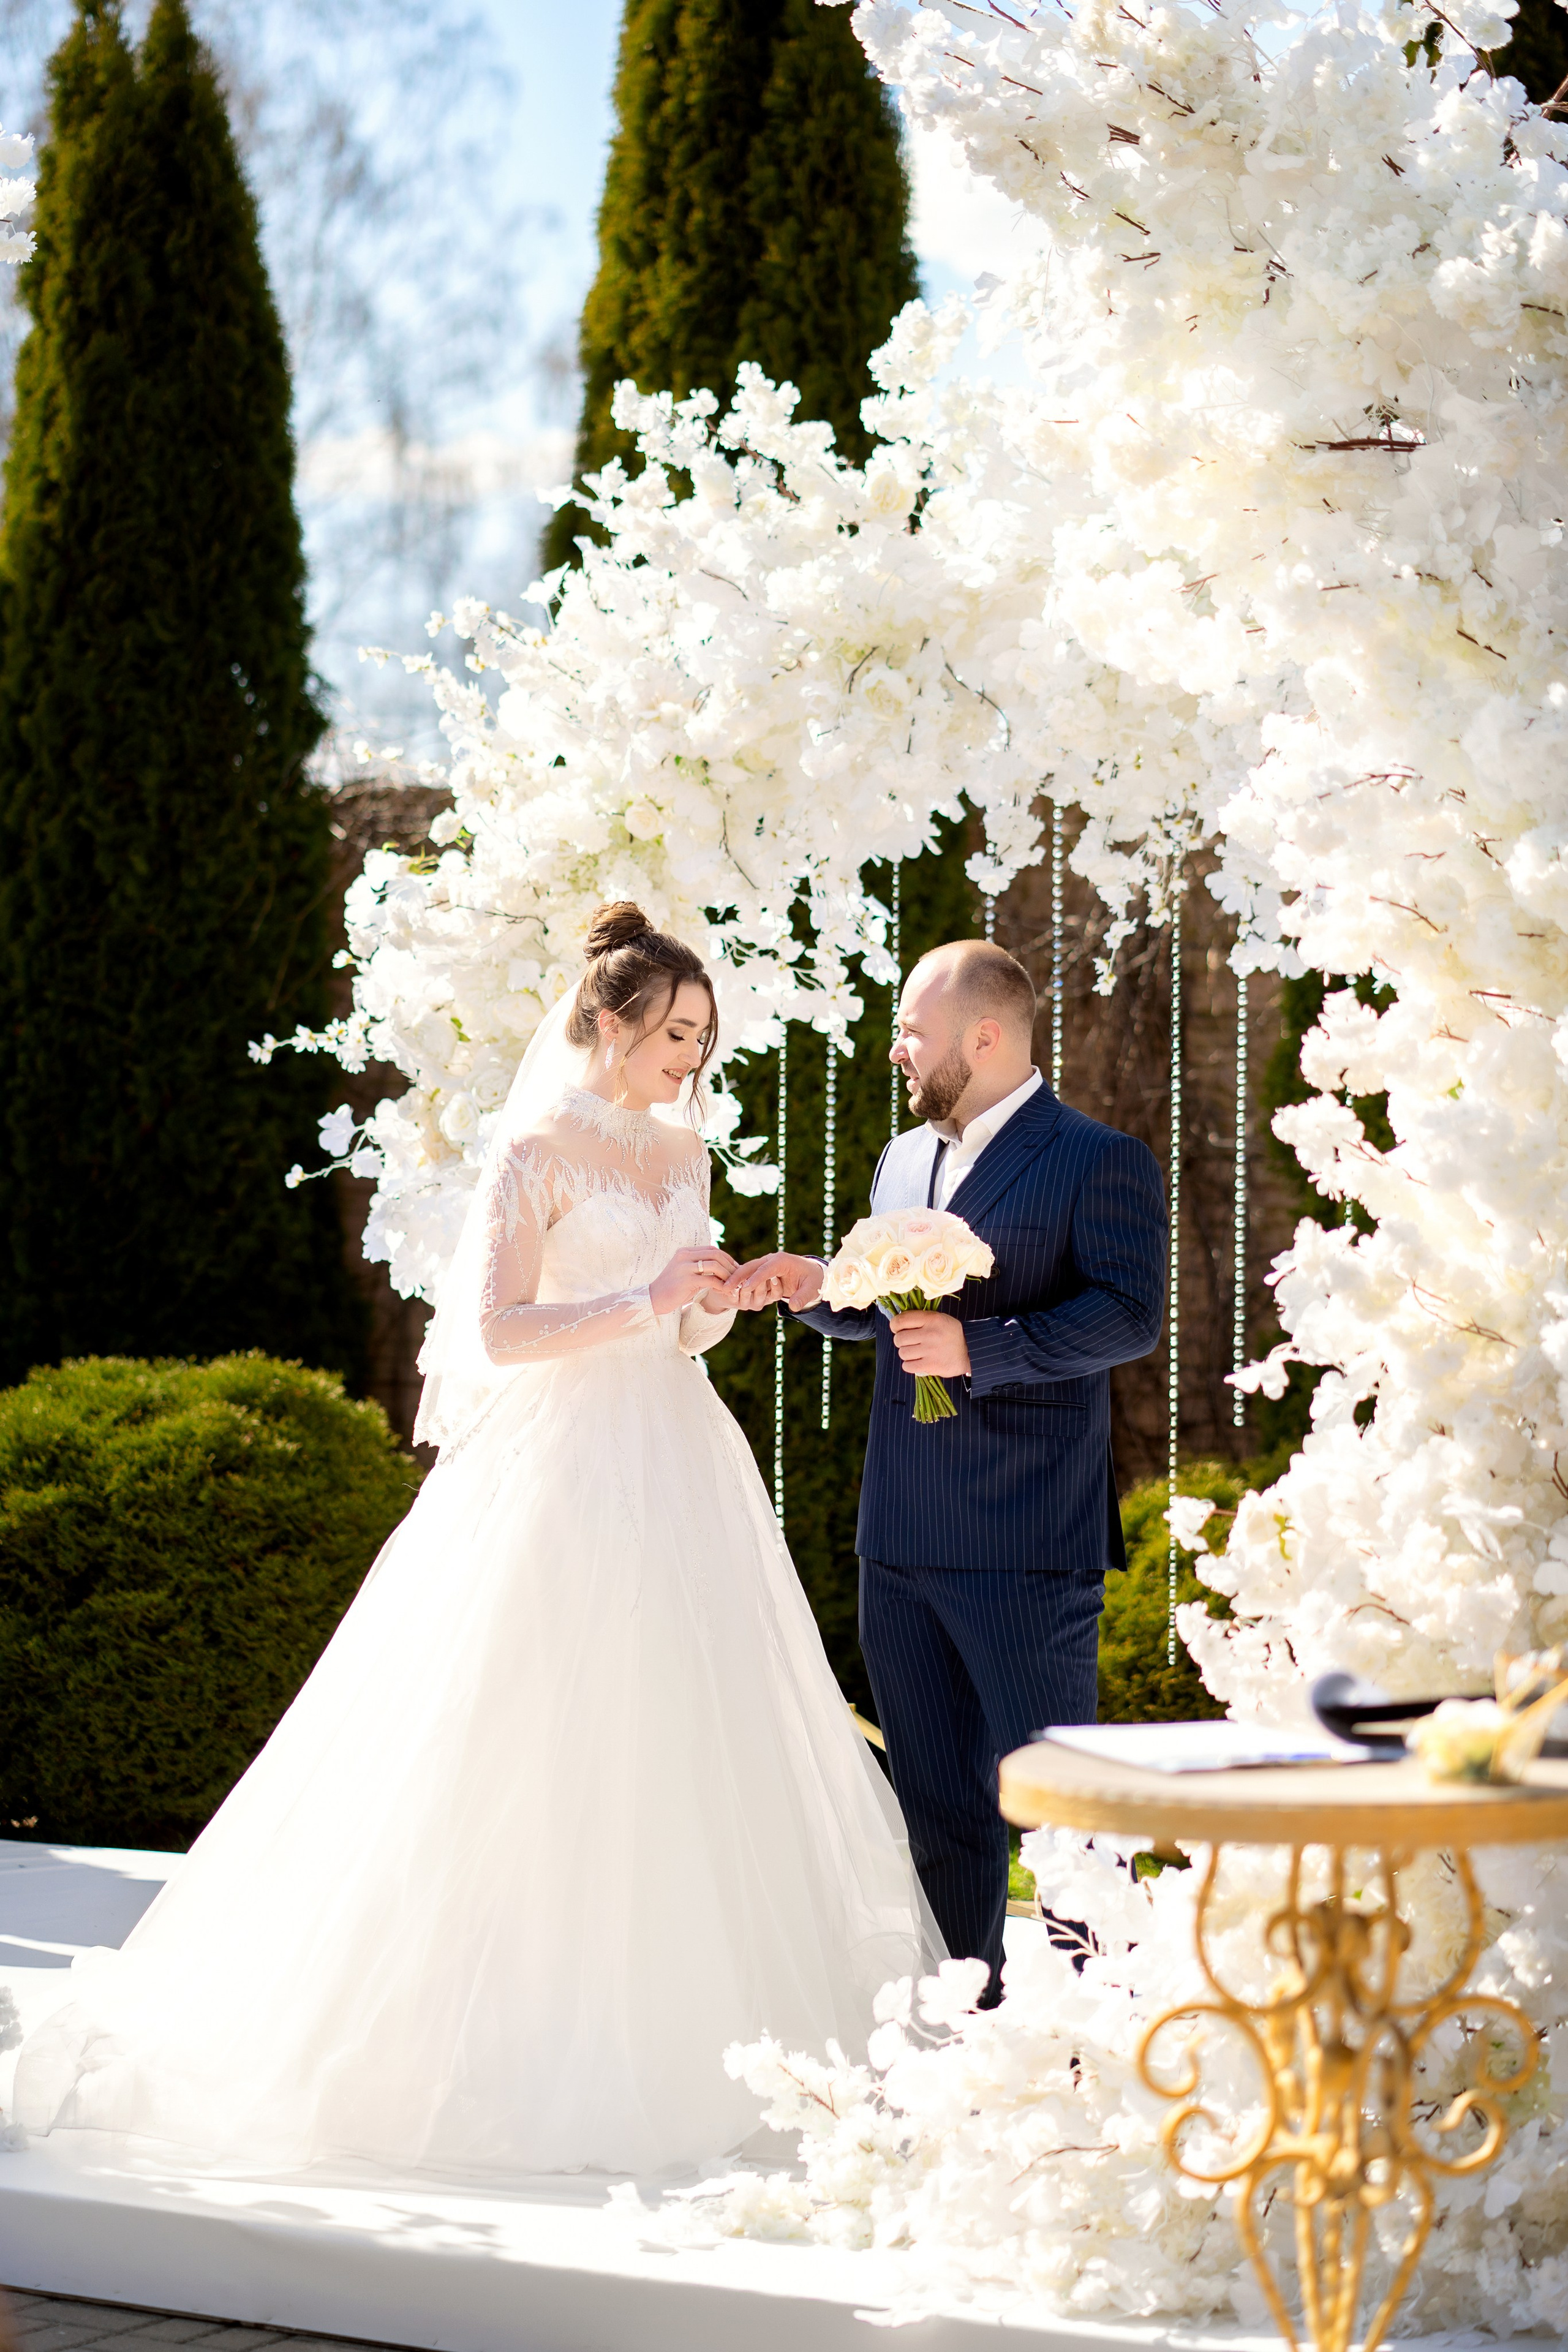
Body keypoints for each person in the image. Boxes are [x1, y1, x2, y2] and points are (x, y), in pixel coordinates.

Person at [15, 903, 933, 2179]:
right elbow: (499, 1331)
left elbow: (680, 1329)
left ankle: (697, 2031)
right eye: (675, 1032)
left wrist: (719, 1298)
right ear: (607, 1022)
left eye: (702, 1037)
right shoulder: (533, 1149)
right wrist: (643, 1297)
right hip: (560, 1461)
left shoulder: (683, 1153)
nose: (692, 1057)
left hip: (676, 1453)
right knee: (522, 1719)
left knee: (679, 1722)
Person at [730, 940, 1166, 2003]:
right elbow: (884, 1309)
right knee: (937, 1810)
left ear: (986, 1036)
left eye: (913, 1033)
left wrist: (986, 1348)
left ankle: (1097, 2029)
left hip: (1026, 1537)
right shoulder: (900, 1160)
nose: (897, 1051)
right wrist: (812, 1286)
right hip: (901, 1533)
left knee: (1062, 1806)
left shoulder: (1098, 1158)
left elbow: (1129, 1315)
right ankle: (967, 2025)